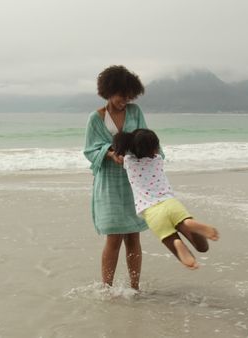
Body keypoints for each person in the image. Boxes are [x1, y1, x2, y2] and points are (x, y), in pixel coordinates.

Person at [113, 128, 219, 269]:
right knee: (202, 247)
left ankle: (177, 244)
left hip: (151, 211)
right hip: (171, 203)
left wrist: (118, 150)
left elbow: (118, 154)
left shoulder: (128, 162)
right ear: (155, 149)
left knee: (186, 257)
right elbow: (153, 150)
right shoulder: (158, 160)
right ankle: (188, 224)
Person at [83, 65, 149, 290]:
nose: (126, 100)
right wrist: (110, 154)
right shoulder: (95, 118)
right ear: (109, 91)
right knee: (113, 236)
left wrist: (147, 155)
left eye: (130, 96)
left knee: (133, 235)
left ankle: (134, 287)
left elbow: (145, 138)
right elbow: (90, 150)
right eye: (122, 95)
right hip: (109, 182)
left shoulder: (135, 112)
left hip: (133, 180)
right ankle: (107, 288)